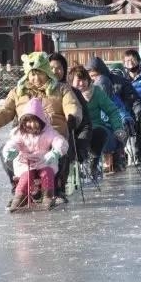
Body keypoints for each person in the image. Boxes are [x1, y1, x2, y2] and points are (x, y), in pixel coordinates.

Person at [0, 52, 82, 191]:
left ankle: (57, 184)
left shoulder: (61, 89)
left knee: (61, 147)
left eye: (40, 73)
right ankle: (18, 184)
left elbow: (72, 105)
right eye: (32, 74)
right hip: (26, 139)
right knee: (4, 150)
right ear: (27, 74)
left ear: (47, 73)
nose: (36, 78)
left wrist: (72, 117)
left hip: (51, 136)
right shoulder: (18, 92)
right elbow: (5, 111)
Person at [1, 98, 69, 212]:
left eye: (35, 121)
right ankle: (19, 198)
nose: (31, 124)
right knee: (26, 176)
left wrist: (56, 152)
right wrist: (10, 150)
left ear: (41, 120)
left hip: (44, 161)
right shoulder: (20, 133)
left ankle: (48, 197)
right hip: (25, 162)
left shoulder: (48, 131)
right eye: (28, 121)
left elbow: (59, 141)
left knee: (47, 172)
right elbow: (13, 143)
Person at [85, 57, 141, 171]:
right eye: (91, 76)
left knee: (121, 131)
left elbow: (120, 106)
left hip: (121, 118)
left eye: (95, 75)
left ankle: (119, 156)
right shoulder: (88, 90)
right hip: (98, 125)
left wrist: (135, 112)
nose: (93, 79)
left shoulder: (116, 84)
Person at [49, 52, 92, 203]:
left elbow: (86, 123)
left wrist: (81, 145)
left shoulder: (72, 92)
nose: (55, 72)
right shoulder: (35, 92)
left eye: (59, 68)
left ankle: (59, 188)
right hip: (39, 137)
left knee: (64, 148)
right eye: (51, 68)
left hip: (65, 137)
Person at [69, 66, 127, 175]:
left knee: (100, 134)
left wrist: (118, 128)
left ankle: (94, 163)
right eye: (78, 80)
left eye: (84, 80)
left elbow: (112, 111)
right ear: (71, 82)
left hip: (95, 125)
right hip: (76, 127)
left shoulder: (96, 92)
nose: (81, 83)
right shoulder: (68, 94)